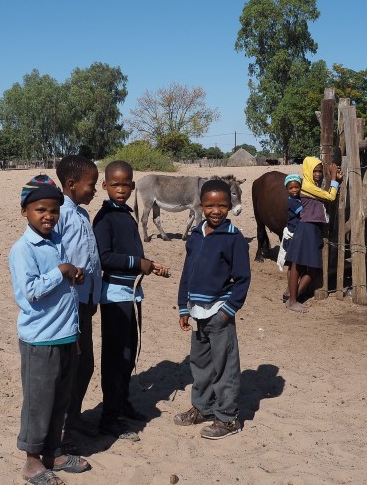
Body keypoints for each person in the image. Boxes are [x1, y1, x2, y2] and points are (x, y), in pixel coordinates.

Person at [8, 175, 91, 485]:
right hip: (40, 340)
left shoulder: (58, 241)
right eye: (40, 209)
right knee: (38, 401)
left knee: (60, 399)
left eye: (54, 211)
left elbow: (62, 284)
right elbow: (29, 292)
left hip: (66, 335)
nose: (48, 216)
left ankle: (53, 454)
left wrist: (74, 276)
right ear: (24, 211)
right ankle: (32, 462)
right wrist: (61, 272)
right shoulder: (23, 249)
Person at [93, 160, 169, 441]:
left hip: (131, 292)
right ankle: (109, 418)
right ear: (105, 186)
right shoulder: (104, 217)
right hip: (114, 295)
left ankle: (122, 403)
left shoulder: (125, 213)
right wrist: (139, 263)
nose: (121, 189)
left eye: (126, 184)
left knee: (129, 353)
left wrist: (147, 265)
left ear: (133, 185)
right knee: (115, 358)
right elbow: (104, 257)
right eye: (115, 184)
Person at [174, 179, 251, 439]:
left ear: (229, 206)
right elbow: (187, 272)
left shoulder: (234, 238)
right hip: (197, 312)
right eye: (209, 205)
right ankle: (203, 407)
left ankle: (228, 419)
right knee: (201, 363)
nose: (215, 211)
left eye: (221, 205)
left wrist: (228, 310)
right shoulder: (196, 235)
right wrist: (183, 306)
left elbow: (242, 279)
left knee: (224, 365)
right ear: (200, 205)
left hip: (219, 312)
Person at [54, 156, 102, 446]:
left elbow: (91, 259)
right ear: (71, 184)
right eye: (91, 185)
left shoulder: (82, 214)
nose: (95, 190)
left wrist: (94, 296)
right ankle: (61, 428)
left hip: (86, 301)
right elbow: (58, 258)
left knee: (86, 365)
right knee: (72, 366)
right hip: (70, 303)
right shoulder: (60, 215)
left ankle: (74, 417)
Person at [284, 157, 342, 313]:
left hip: (313, 227)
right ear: (308, 171)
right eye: (314, 171)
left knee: (310, 266)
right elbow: (330, 196)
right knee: (299, 264)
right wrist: (334, 179)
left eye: (319, 171)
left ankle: (292, 295)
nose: (318, 174)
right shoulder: (307, 186)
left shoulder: (313, 186)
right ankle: (293, 300)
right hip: (306, 227)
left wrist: (335, 180)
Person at [277, 172, 302, 276]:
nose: (294, 190)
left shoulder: (295, 199)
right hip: (293, 232)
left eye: (296, 187)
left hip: (295, 230)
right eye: (291, 188)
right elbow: (302, 212)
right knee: (293, 263)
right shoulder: (292, 202)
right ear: (287, 189)